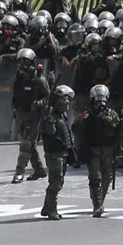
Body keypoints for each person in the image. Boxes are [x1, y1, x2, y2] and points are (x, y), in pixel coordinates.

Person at [10, 48, 49, 184]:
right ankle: (39, 169)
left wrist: (38, 103)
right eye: (21, 61)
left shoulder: (39, 80)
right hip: (22, 113)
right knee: (29, 144)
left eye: (26, 61)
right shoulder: (19, 78)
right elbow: (15, 96)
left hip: (34, 116)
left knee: (25, 143)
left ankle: (19, 172)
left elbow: (48, 97)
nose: (23, 64)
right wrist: (14, 109)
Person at [82, 83, 120, 217]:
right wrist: (82, 120)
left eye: (102, 101)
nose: (100, 104)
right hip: (93, 151)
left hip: (108, 150)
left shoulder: (112, 113)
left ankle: (100, 201)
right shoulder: (88, 114)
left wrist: (117, 121)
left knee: (107, 178)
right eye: (98, 101)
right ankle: (97, 205)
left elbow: (120, 130)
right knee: (95, 178)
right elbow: (78, 130)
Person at [40, 85, 75, 220]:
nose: (66, 104)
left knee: (58, 181)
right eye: (63, 101)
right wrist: (49, 118)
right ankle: (51, 210)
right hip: (54, 154)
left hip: (63, 152)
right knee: (56, 182)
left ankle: (46, 208)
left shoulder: (62, 114)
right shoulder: (50, 116)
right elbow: (50, 132)